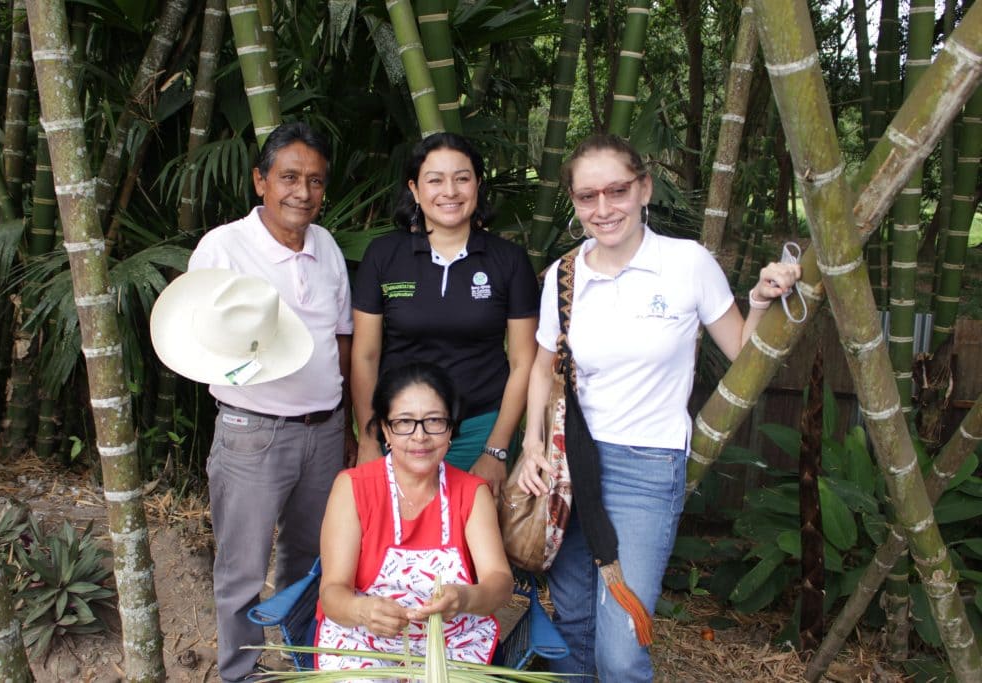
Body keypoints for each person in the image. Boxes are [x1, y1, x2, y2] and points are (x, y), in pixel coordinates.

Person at [517, 134, 801, 682]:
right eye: (586, 196)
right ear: (574, 203)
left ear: (643, 189)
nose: (603, 209)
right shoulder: (565, 274)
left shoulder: (686, 262)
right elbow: (542, 364)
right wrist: (532, 444)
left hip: (647, 466)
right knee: (573, 623)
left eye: (617, 191)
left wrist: (762, 302)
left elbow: (744, 351)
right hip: (569, 466)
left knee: (622, 647)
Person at [187, 122, 354, 682]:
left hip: (325, 430)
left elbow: (343, 337)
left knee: (310, 562)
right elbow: (197, 337)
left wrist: (349, 422)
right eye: (288, 177)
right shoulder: (225, 246)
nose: (301, 192)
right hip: (252, 430)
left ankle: (304, 664)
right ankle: (242, 674)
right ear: (261, 181)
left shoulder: (326, 245)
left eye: (314, 181)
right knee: (242, 569)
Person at [351, 133, 538, 495]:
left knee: (471, 544)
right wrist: (371, 436)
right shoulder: (384, 255)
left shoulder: (508, 260)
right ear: (415, 189)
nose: (449, 191)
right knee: (397, 542)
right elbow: (365, 355)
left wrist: (495, 450)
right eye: (435, 179)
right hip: (401, 430)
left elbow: (522, 362)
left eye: (462, 178)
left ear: (478, 185)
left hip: (480, 427)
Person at [316, 362, 513, 671]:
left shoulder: (472, 492)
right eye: (404, 422)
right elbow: (332, 593)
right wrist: (363, 610)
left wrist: (464, 598)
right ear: (385, 430)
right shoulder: (352, 488)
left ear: (450, 430)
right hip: (365, 643)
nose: (420, 436)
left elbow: (499, 584)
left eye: (434, 421)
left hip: (455, 646)